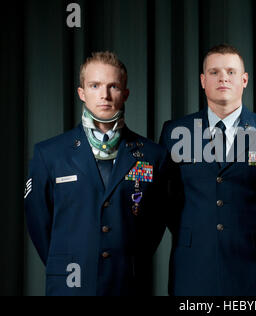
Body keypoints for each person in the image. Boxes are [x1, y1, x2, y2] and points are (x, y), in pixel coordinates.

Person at [24, 51, 168, 296]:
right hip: (69, 283)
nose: (104, 95)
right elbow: (38, 221)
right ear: (81, 93)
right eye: (95, 85)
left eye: (113, 86)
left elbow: (154, 224)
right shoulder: (50, 154)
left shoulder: (153, 155)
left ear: (125, 94)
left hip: (126, 283)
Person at [159, 44, 256, 296]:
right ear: (202, 80)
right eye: (214, 72)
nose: (223, 77)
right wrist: (193, 229)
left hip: (254, 265)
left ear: (244, 80)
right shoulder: (175, 132)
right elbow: (166, 197)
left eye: (231, 72)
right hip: (194, 263)